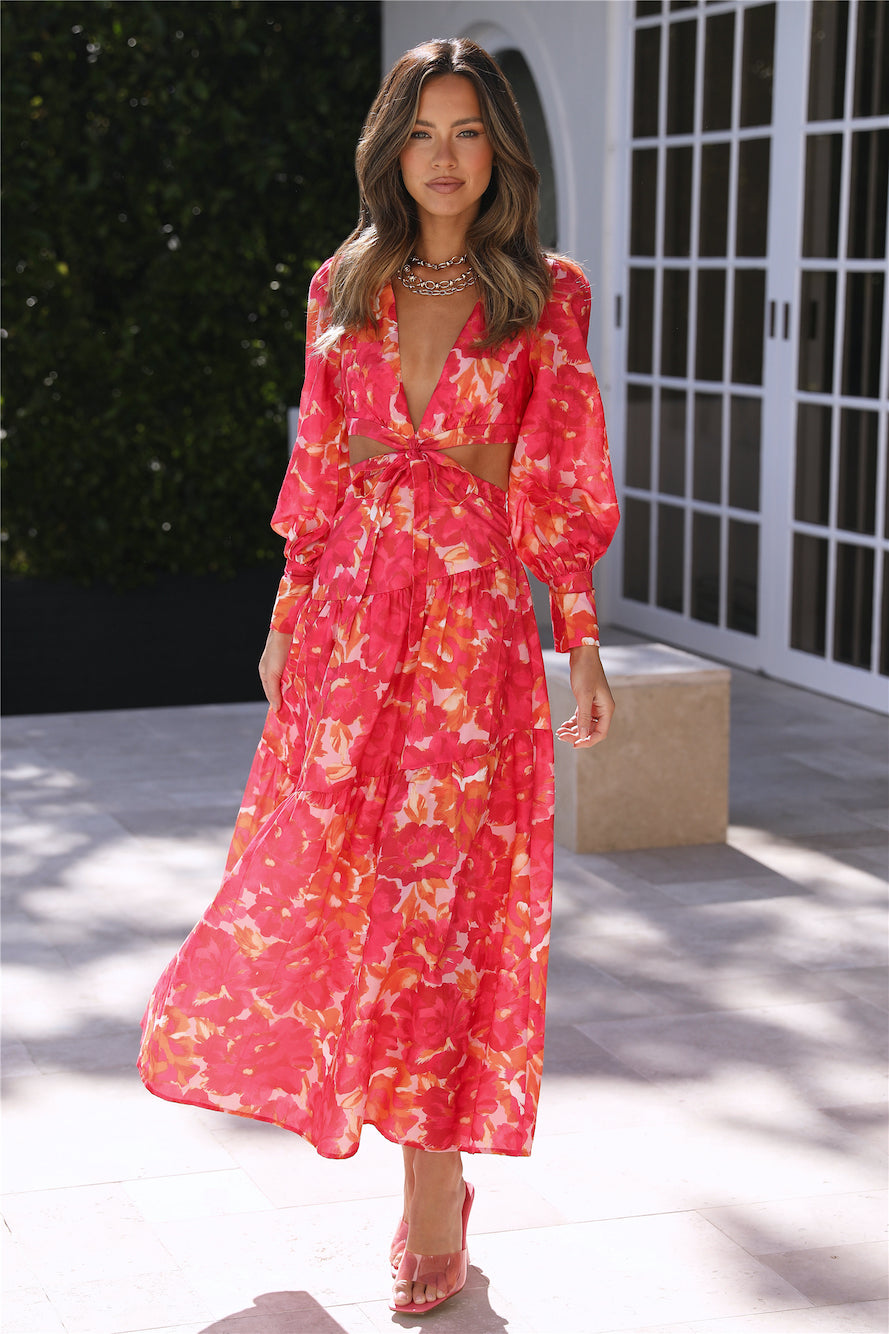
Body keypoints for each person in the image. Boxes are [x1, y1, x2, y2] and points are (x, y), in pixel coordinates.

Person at [139, 37, 619, 1315]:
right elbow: (317, 462)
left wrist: (579, 636)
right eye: (421, 131)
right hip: (351, 623)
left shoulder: (544, 294)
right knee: (325, 881)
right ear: (389, 147)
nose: (443, 157)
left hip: (469, 640)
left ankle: (432, 1183)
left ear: (498, 151)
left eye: (467, 132)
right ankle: (372, 1126)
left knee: (440, 913)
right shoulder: (341, 283)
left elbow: (562, 474)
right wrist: (287, 610)